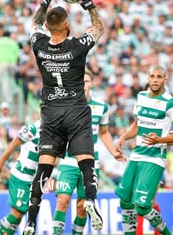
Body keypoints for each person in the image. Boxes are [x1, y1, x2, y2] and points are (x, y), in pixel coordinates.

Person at [23, 0, 105, 235]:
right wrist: (87, 2)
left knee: (44, 168)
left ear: (49, 26)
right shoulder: (77, 47)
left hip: (51, 114)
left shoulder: (39, 46)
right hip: (76, 111)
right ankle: (90, 200)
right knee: (86, 162)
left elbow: (35, 23)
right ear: (67, 24)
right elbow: (98, 28)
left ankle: (32, 221)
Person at [115, 65, 173, 235]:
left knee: (142, 207)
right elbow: (137, 124)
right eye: (152, 76)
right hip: (136, 155)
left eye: (159, 77)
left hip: (154, 158)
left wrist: (160, 139)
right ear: (147, 78)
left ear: (165, 79)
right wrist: (124, 137)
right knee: (125, 201)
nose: (155, 80)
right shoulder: (140, 97)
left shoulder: (170, 103)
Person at [52, 69, 124, 234]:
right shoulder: (65, 105)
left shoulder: (101, 107)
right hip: (69, 161)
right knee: (62, 200)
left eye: (86, 82)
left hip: (91, 163)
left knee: (83, 206)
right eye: (80, 81)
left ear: (91, 84)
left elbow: (103, 133)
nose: (83, 85)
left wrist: (113, 152)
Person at [0, 120, 41, 235]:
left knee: (19, 215)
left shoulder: (55, 130)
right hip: (21, 176)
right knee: (16, 213)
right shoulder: (32, 128)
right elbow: (12, 145)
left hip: (33, 179)